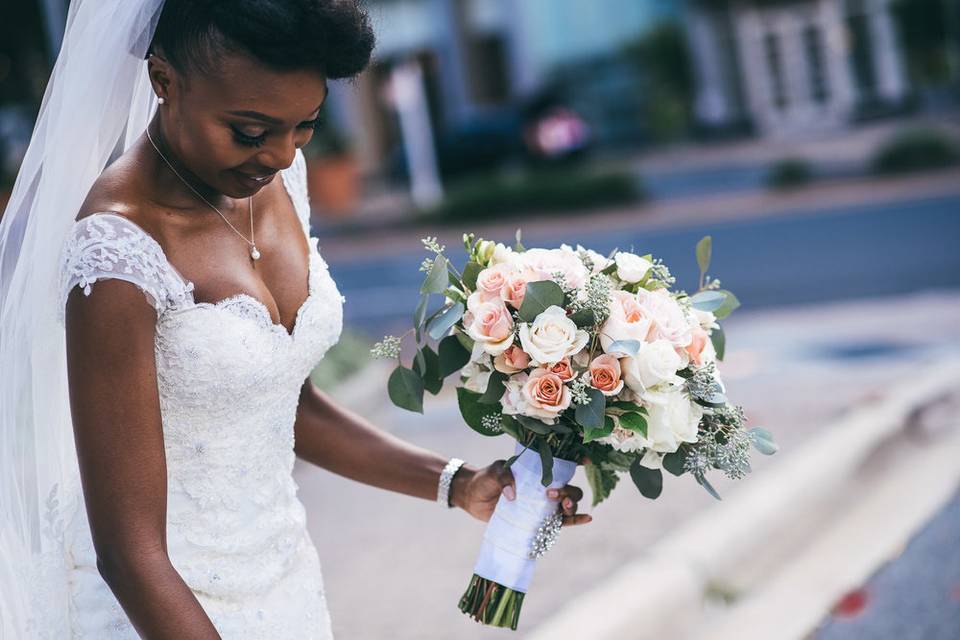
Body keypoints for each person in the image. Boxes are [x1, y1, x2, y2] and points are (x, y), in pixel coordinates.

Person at [0, 1, 590, 638]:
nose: (280, 154)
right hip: (158, 612)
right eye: (250, 131)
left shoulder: (278, 181)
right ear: (164, 80)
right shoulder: (117, 250)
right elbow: (131, 554)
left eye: (303, 126)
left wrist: (458, 484)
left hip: (286, 585)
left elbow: (289, 406)